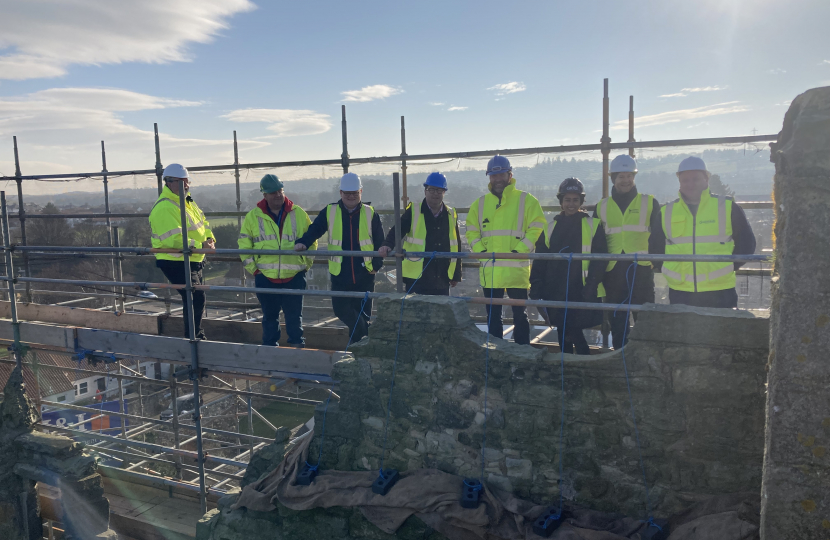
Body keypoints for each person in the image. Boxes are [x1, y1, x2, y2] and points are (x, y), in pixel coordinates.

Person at [651, 156, 756, 308]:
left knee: (721, 331)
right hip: (681, 291)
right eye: (685, 180)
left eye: (695, 179)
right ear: (679, 182)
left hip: (720, 291)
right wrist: (668, 271)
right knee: (683, 332)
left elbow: (747, 243)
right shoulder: (666, 211)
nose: (690, 184)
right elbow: (655, 248)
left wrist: (729, 267)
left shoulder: (727, 207)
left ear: (707, 179)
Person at [294, 172, 385, 344]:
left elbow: (380, 242)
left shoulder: (370, 213)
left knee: (362, 315)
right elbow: (315, 229)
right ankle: (363, 343)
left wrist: (376, 266)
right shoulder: (330, 211)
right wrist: (303, 243)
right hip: (340, 274)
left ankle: (356, 354)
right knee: (342, 311)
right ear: (340, 193)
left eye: (354, 193)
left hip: (364, 274)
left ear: (361, 192)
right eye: (347, 193)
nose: (351, 196)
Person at [465, 155, 546, 345]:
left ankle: (522, 353)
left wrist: (520, 250)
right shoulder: (480, 204)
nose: (498, 179)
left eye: (501, 174)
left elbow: (537, 227)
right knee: (493, 317)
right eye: (494, 176)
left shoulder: (527, 200)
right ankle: (495, 355)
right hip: (491, 270)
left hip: (516, 270)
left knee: (520, 316)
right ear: (489, 178)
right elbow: (471, 231)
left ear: (510, 175)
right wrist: (482, 252)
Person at [594, 154, 663, 350]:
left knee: (644, 319)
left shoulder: (649, 202)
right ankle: (619, 358)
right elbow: (596, 240)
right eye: (621, 177)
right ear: (613, 179)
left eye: (629, 176)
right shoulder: (602, 206)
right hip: (613, 271)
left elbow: (658, 237)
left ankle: (645, 360)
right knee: (618, 320)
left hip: (640, 269)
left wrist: (654, 263)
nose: (626, 181)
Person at [530, 178, 607, 354]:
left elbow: (600, 258)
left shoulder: (593, 225)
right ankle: (573, 366)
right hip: (555, 287)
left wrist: (592, 285)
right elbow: (540, 259)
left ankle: (573, 365)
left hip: (581, 288)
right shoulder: (550, 228)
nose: (571, 204)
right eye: (567, 200)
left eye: (575, 200)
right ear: (561, 202)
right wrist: (536, 285)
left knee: (570, 327)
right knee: (564, 328)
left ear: (581, 202)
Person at [239, 174, 315, 348]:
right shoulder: (253, 216)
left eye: (280, 190)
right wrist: (254, 269)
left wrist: (305, 266)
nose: (278, 195)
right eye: (273, 192)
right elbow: (244, 244)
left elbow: (312, 240)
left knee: (294, 317)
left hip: (294, 276)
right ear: (264, 195)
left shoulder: (298, 213)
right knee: (269, 317)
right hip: (265, 276)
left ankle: (297, 349)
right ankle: (270, 351)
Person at [149, 163, 214, 339]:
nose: (186, 185)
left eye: (187, 181)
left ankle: (194, 336)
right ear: (169, 182)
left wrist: (210, 239)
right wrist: (202, 246)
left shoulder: (187, 201)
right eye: (181, 182)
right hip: (174, 260)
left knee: (194, 297)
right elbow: (174, 240)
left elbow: (203, 223)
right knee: (194, 296)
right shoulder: (165, 207)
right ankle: (193, 338)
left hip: (191, 258)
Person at [378, 172, 462, 295]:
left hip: (442, 276)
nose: (435, 194)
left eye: (439, 190)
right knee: (416, 313)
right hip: (417, 278)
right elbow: (398, 230)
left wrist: (456, 274)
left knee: (439, 313)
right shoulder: (414, 211)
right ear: (425, 191)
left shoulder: (451, 213)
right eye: (431, 189)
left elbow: (456, 244)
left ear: (444, 192)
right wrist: (387, 244)